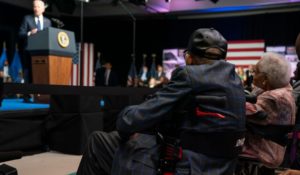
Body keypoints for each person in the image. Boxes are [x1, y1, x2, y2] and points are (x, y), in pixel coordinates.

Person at [77, 28, 246, 175]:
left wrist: (127, 115)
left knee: (98, 140)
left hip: (181, 166)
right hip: (221, 169)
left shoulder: (189, 75)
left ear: (189, 58)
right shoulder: (236, 83)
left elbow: (129, 121)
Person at [241, 52, 296, 169]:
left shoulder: (274, 97)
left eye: (255, 72)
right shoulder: (285, 90)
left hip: (265, 152)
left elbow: (241, 111)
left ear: (265, 78)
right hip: (273, 149)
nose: (252, 75)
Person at [18, 0, 51, 102]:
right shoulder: (27, 18)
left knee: (40, 73)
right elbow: (20, 34)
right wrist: (29, 33)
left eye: (38, 6)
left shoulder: (48, 21)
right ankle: (26, 96)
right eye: (34, 6)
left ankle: (41, 96)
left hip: (42, 53)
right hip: (28, 51)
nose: (35, 8)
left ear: (43, 9)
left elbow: (49, 36)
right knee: (27, 74)